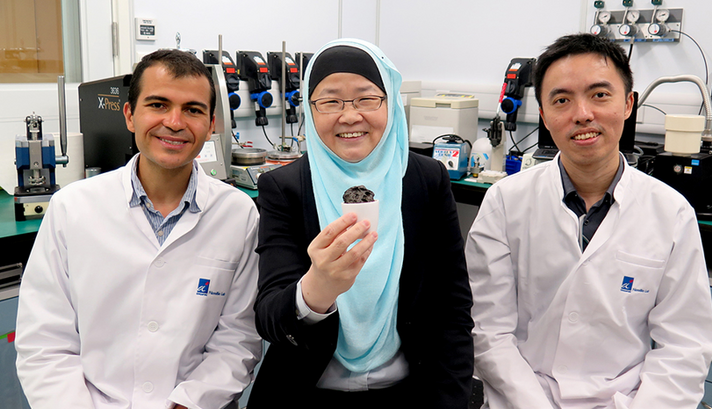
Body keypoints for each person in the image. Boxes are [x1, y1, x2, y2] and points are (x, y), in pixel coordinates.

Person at [467, 33, 712, 409]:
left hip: (627, 399)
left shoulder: (671, 213)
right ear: (545, 116)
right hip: (523, 396)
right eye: (562, 100)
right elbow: (490, 332)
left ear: (628, 104)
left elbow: (684, 345)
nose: (582, 114)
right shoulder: (504, 201)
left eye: (599, 95)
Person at [15, 49, 262, 409]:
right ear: (130, 115)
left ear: (211, 125)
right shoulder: (72, 207)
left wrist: (190, 402)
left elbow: (238, 339)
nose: (174, 122)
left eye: (193, 110)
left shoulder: (238, 214)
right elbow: (44, 341)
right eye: (158, 105)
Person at [245, 38, 474, 409]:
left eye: (367, 99)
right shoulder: (284, 187)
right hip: (305, 392)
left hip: (410, 392)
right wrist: (315, 290)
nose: (350, 116)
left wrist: (451, 401)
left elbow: (452, 307)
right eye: (330, 101)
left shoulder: (426, 180)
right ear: (309, 108)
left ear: (390, 102)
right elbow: (269, 319)